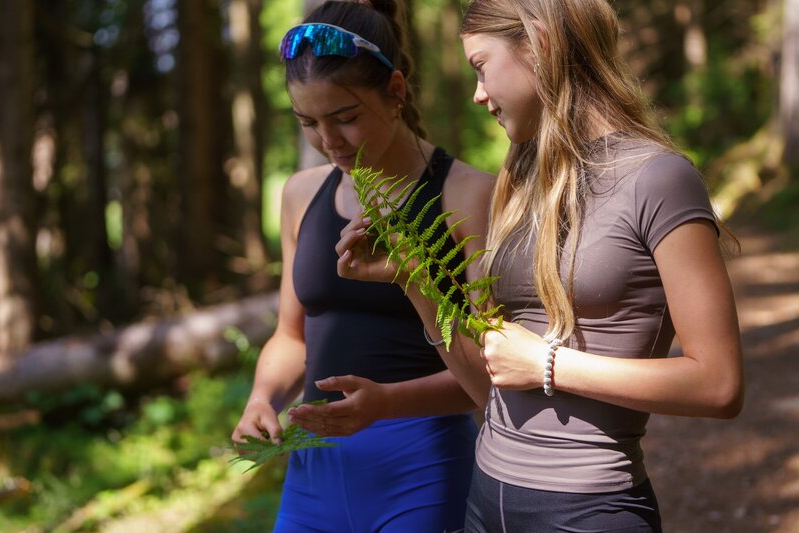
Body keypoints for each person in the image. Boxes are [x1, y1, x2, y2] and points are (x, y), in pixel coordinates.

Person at [337, 0, 745, 530]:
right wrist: (413, 280)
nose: (478, 93)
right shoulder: (518, 179)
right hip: (484, 499)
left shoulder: (659, 178)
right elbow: (487, 388)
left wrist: (549, 364)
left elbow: (719, 384)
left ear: (539, 45)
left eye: (481, 67)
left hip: (589, 510)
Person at [230, 1, 494, 531]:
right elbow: (291, 337)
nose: (328, 141)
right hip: (312, 471)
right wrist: (261, 399)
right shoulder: (301, 194)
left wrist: (387, 403)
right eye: (308, 123)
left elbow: (493, 372)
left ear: (395, 92)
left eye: (345, 118)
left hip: (424, 465)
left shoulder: (467, 194)